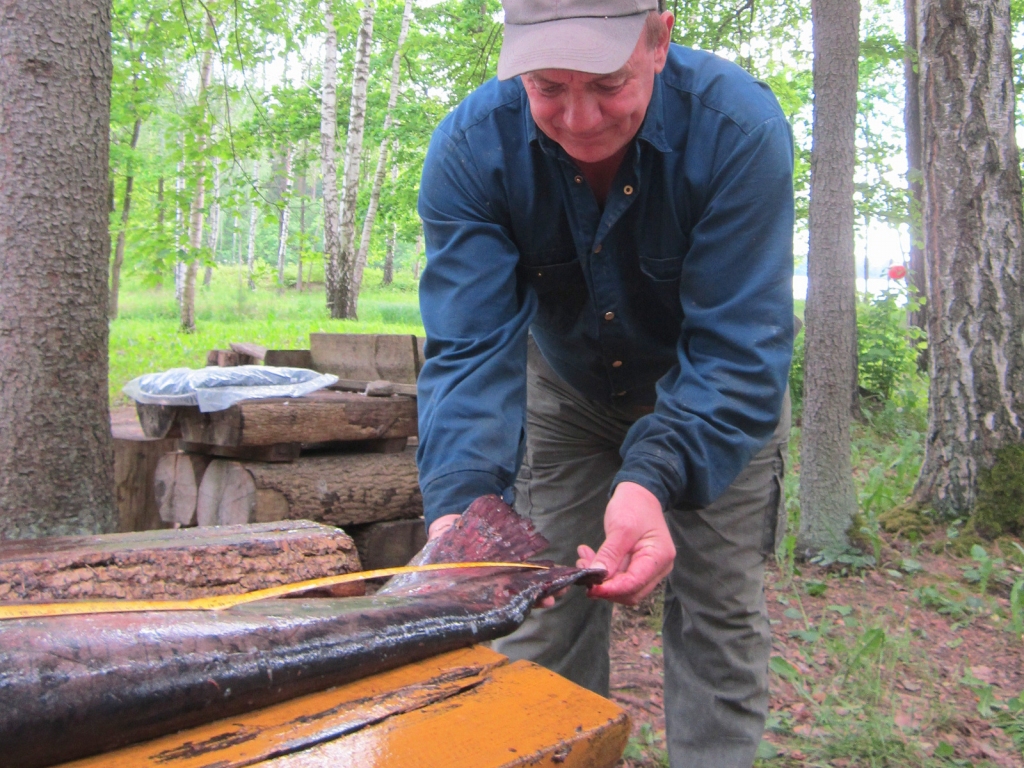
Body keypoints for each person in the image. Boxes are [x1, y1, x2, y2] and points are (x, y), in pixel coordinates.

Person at [415, 1, 794, 766]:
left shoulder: (737, 130)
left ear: (660, 38)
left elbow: (739, 345)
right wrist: (460, 507)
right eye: (548, 87)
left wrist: (655, 475)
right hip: (567, 393)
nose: (580, 118)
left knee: (717, 614)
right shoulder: (471, 148)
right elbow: (468, 349)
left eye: (608, 83)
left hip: (715, 397)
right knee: (534, 610)